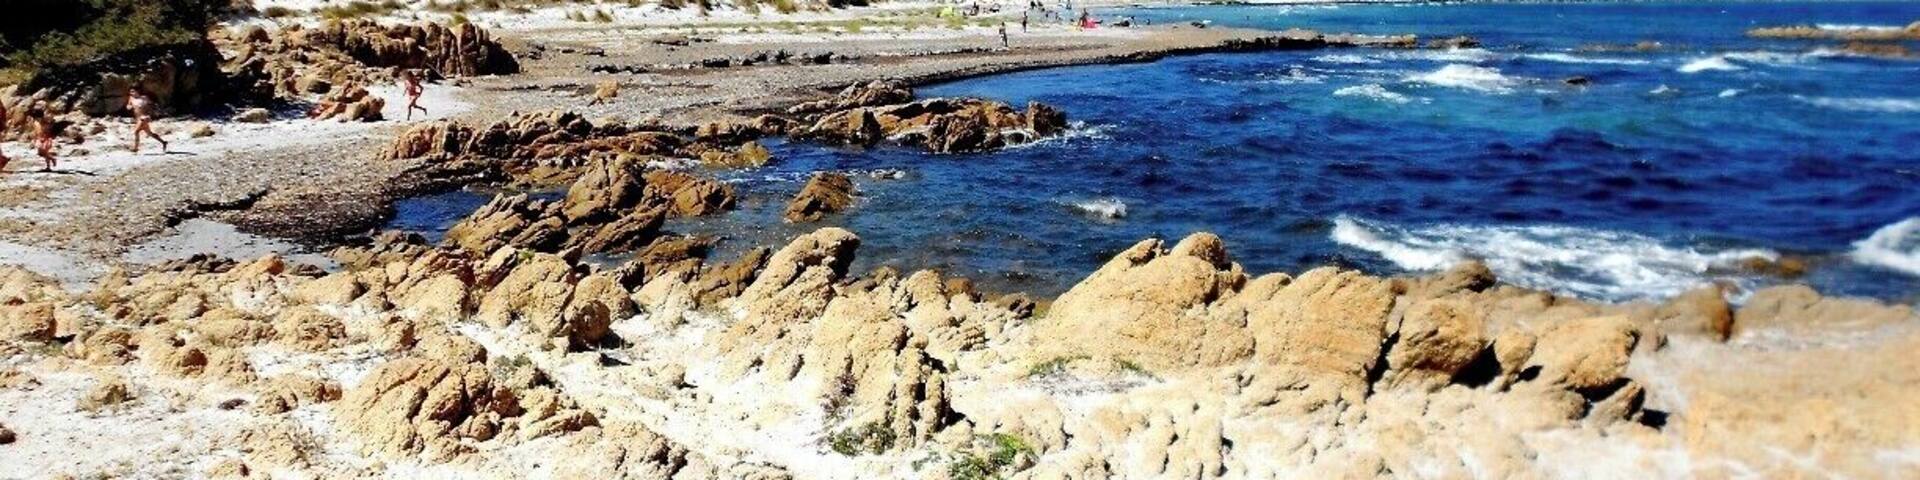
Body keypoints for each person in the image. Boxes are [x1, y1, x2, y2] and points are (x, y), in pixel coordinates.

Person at [128, 87, 169, 154]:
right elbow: (128, 105)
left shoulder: (144, 98)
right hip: (138, 118)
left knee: (136, 132)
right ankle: (163, 142)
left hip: (144, 117)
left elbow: (151, 106)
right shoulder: (131, 98)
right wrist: (129, 107)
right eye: (130, 91)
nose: (131, 93)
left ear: (137, 91)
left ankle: (135, 148)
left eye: (133, 91)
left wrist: (150, 114)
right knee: (149, 133)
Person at [27, 104, 57, 172]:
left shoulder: (41, 122)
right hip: (40, 138)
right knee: (42, 153)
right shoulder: (36, 122)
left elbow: (42, 130)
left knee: (43, 152)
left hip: (44, 138)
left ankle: (50, 162)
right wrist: (34, 139)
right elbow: (36, 131)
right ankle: (50, 163)